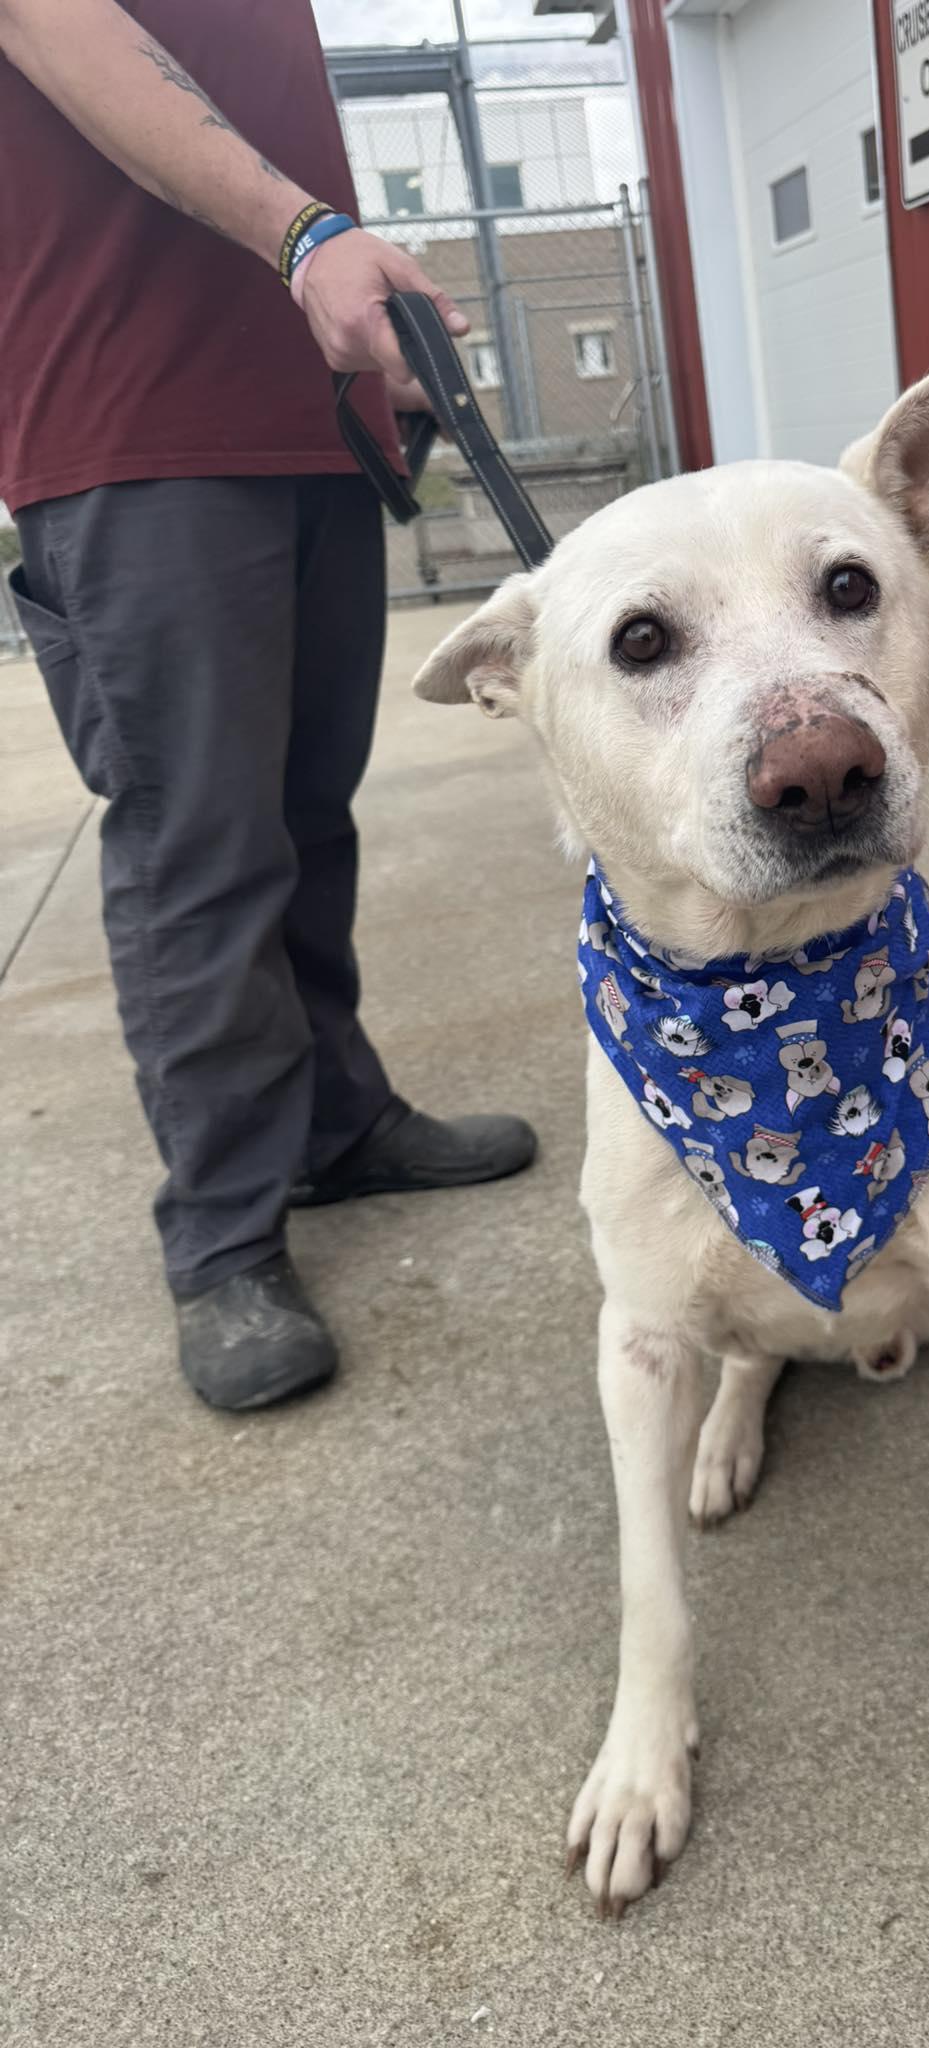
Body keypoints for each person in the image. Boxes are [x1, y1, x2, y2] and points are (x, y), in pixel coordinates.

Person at [0, 0, 536, 1411]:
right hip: (132, 428)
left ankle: (338, 1126)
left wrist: (365, 345)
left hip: (302, 422)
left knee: (307, 821)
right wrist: (308, 236)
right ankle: (223, 1236)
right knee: (202, 847)